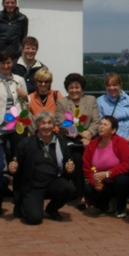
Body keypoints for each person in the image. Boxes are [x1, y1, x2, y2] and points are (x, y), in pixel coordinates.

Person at [8, 111, 76, 224]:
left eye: (49, 123)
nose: (46, 126)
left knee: (69, 189)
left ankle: (52, 209)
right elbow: (17, 168)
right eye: (43, 123)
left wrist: (70, 169)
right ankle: (24, 205)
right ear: (37, 126)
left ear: (53, 125)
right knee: (34, 219)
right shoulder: (26, 144)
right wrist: (13, 169)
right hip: (33, 186)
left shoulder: (61, 143)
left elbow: (68, 163)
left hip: (53, 182)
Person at [55, 72, 100, 209]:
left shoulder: (91, 100)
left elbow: (96, 120)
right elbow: (61, 123)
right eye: (71, 87)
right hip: (70, 141)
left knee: (95, 159)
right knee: (78, 159)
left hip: (90, 140)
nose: (74, 90)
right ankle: (81, 195)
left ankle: (98, 193)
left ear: (82, 88)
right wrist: (82, 134)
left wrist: (89, 134)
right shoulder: (62, 102)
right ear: (67, 89)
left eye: (77, 87)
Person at [83, 115, 129, 218]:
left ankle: (120, 207)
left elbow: (127, 164)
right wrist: (94, 182)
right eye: (100, 124)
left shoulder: (121, 142)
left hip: (116, 180)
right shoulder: (91, 145)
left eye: (105, 125)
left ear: (113, 130)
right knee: (88, 189)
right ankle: (106, 205)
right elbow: (87, 168)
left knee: (122, 181)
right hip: (102, 183)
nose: (101, 127)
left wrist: (108, 174)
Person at [0, 51, 29, 159]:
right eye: (3, 63)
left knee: (18, 156)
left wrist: (25, 97)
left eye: (8, 63)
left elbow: (26, 104)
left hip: (17, 124)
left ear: (12, 63)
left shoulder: (20, 80)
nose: (6, 66)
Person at [97, 73, 129, 145]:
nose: (112, 88)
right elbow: (100, 125)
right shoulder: (100, 102)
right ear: (106, 87)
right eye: (109, 85)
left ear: (120, 85)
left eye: (114, 85)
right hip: (110, 142)